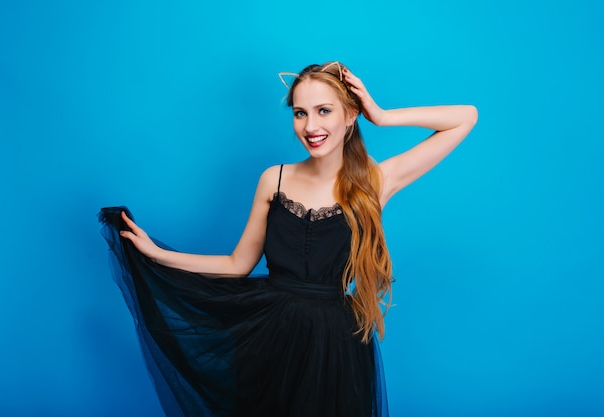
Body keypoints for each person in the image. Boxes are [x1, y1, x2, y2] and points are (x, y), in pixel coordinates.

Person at [99, 61, 477, 417]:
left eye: (324, 110)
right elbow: (237, 265)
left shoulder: (374, 183)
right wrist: (157, 255)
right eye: (300, 113)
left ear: (350, 114)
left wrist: (381, 115)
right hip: (267, 336)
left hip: (334, 346)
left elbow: (465, 118)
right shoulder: (273, 179)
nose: (310, 125)